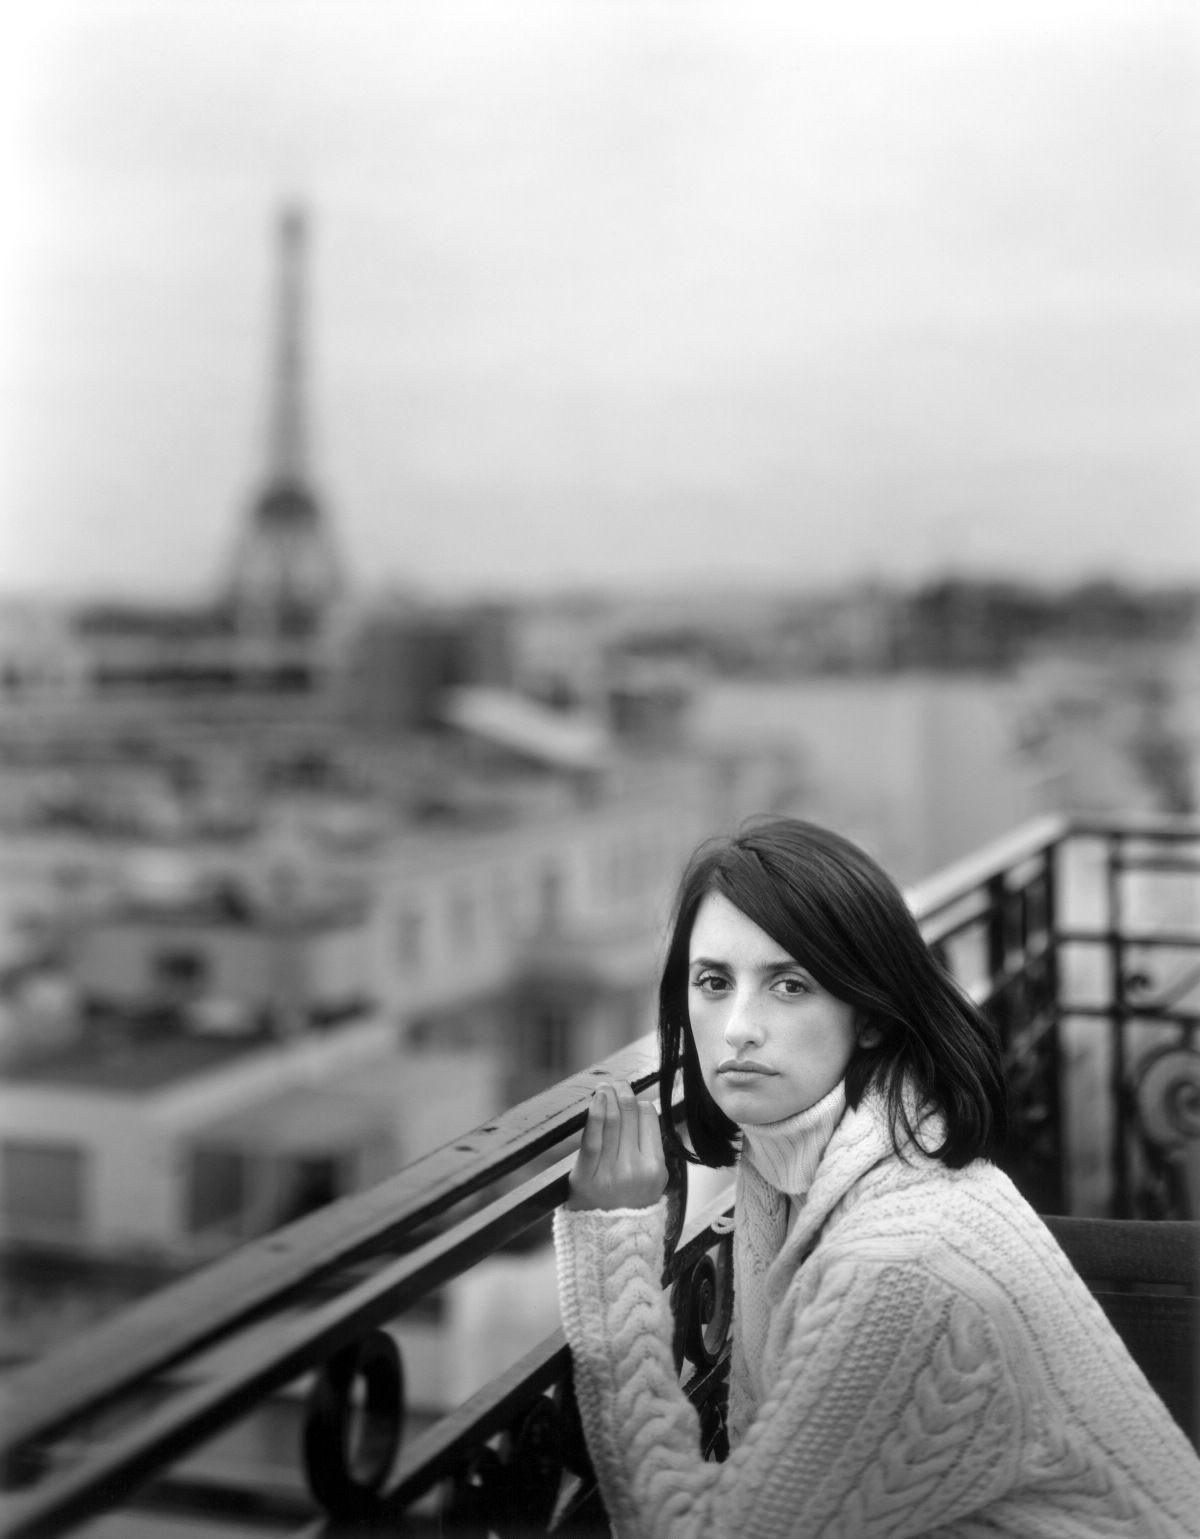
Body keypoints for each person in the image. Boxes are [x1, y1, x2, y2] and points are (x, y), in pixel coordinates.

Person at [553, 817, 1200, 1538]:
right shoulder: (828, 1163)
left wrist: (612, 1264)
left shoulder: (900, 1267)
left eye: (789, 984)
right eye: (713, 981)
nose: (737, 1026)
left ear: (870, 1016)